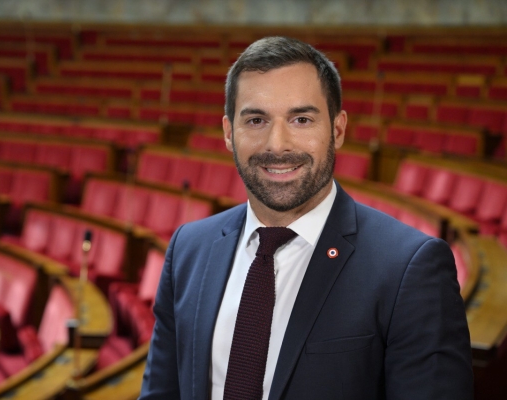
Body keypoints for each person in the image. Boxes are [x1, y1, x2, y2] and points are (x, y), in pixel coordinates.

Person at [139, 36, 473, 399]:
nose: (277, 144)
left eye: (301, 119)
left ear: (338, 129)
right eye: (255, 120)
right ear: (228, 133)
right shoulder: (189, 248)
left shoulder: (410, 267)